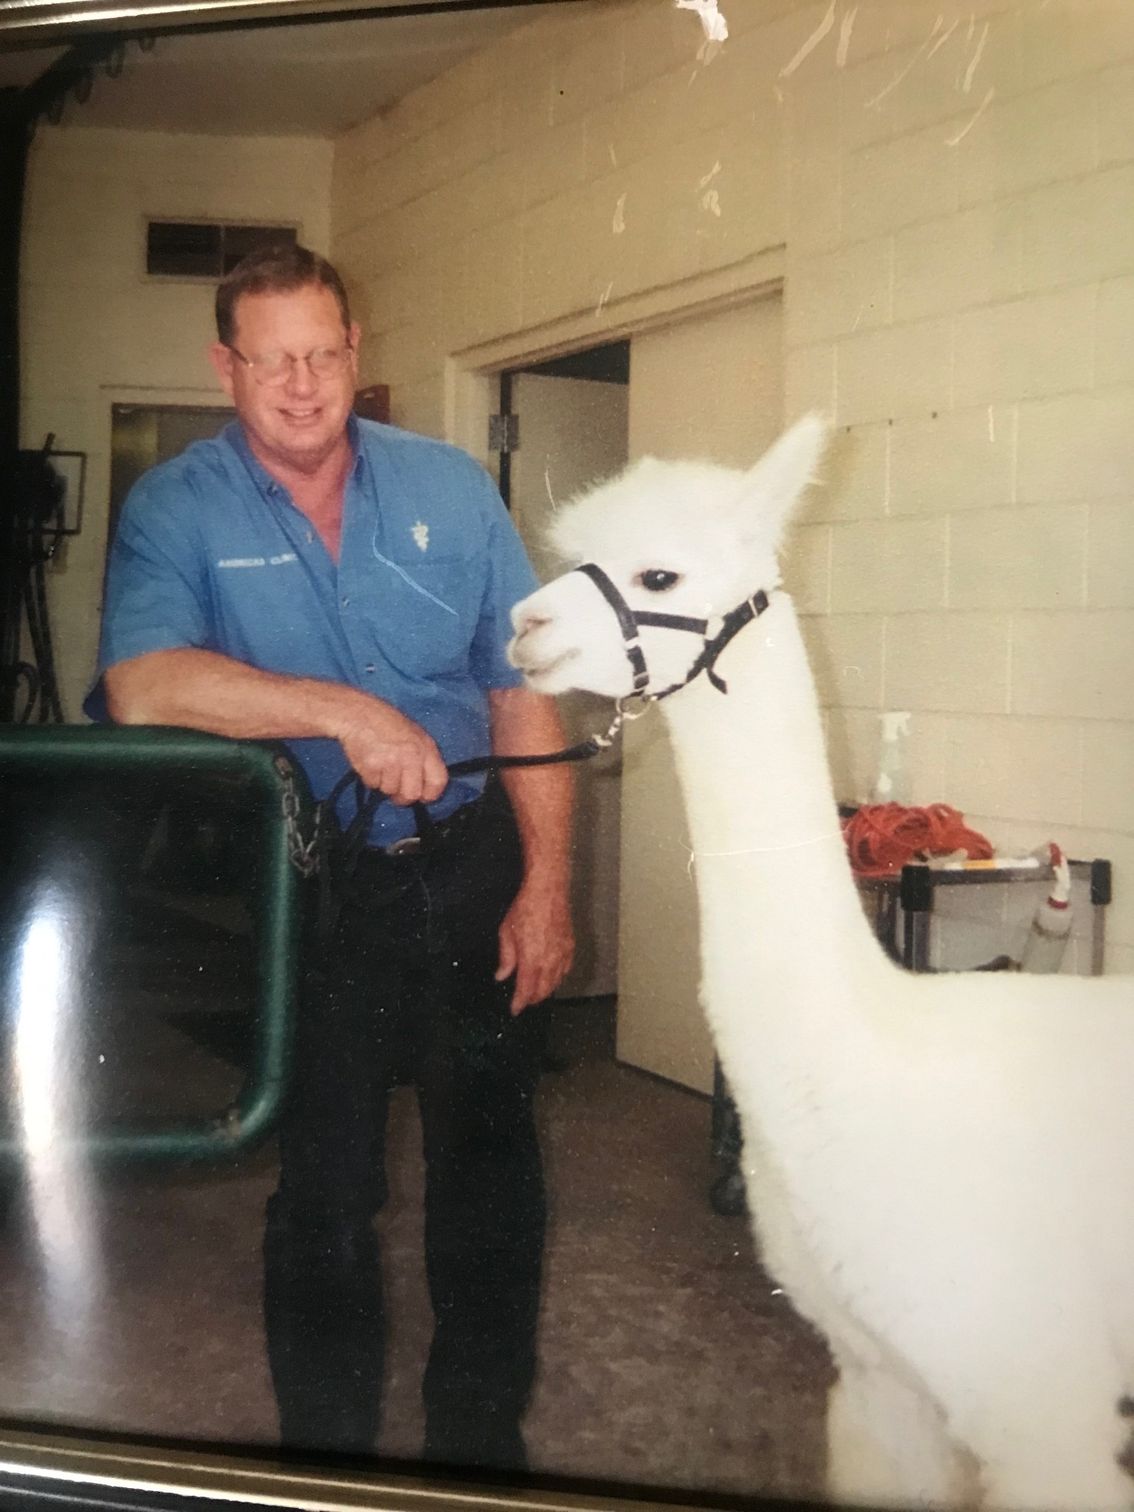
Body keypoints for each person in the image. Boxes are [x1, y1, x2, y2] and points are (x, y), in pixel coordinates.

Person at [86, 243, 574, 1470]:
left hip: (469, 866)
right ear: (225, 366)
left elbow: (519, 697)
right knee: (326, 1195)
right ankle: (331, 1469)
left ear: (356, 352)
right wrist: (344, 712)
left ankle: (477, 1459)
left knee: (491, 1178)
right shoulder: (177, 506)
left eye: (323, 355)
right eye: (272, 360)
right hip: (318, 891)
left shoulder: (455, 487)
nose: (301, 386)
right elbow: (144, 685)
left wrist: (548, 885)